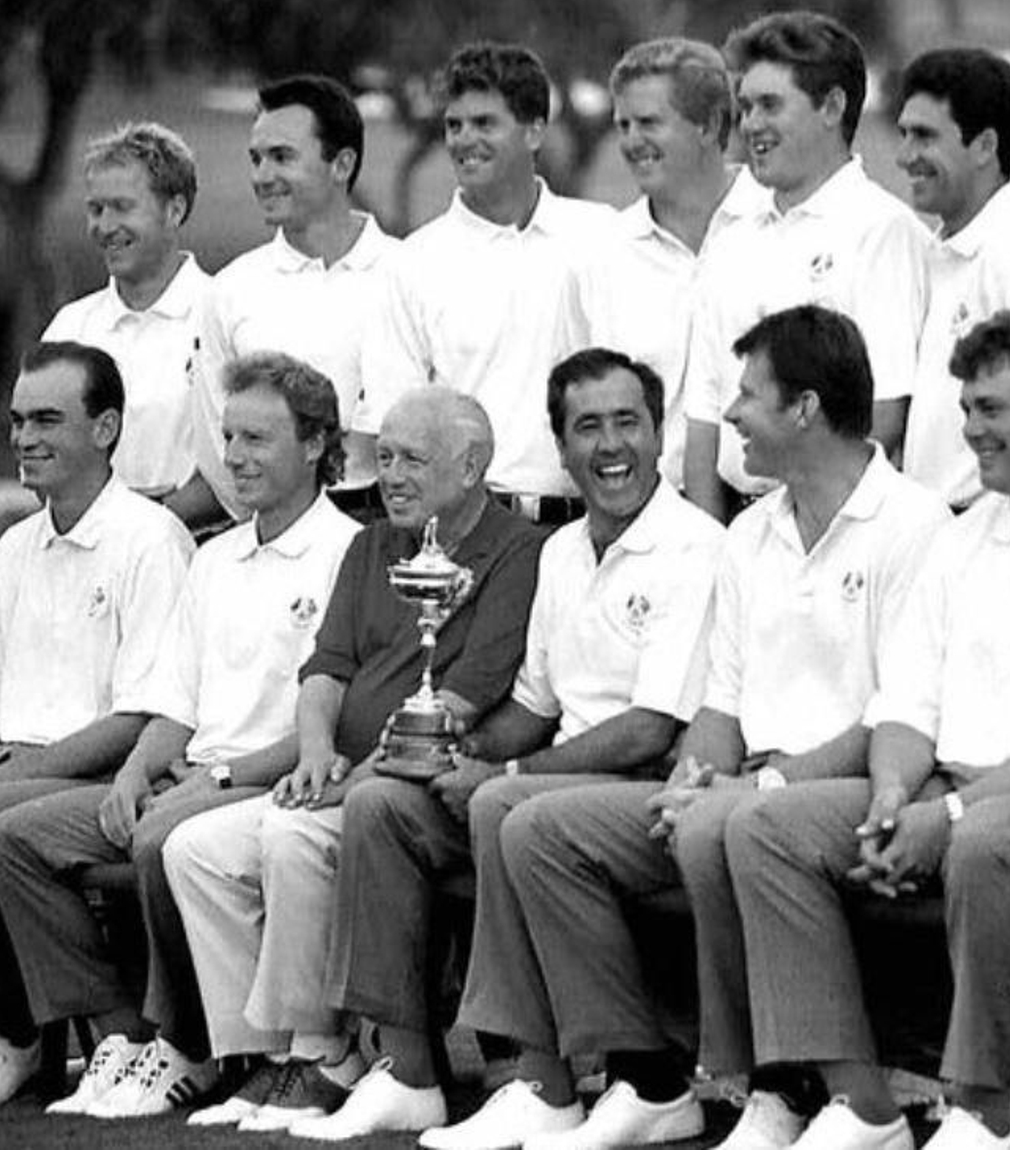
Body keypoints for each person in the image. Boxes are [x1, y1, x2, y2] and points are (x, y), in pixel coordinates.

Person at [426, 308, 947, 1150]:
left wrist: (752, 786)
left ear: (805, 408)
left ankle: (800, 1091)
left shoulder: (914, 524)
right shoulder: (753, 530)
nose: (730, 415)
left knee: (728, 825)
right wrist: (692, 779)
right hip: (745, 784)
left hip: (858, 781)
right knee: (530, 827)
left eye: (747, 396)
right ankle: (647, 1078)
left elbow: (898, 710)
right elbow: (722, 704)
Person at [721, 304, 1010, 1150]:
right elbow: (908, 707)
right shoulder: (963, 537)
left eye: (991, 409)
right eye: (968, 409)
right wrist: (893, 795)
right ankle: (861, 1102)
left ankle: (984, 1110)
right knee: (769, 825)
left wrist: (942, 819)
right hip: (956, 789)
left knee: (990, 843)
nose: (970, 429)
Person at [300, 348, 726, 1149]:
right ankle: (408, 1071)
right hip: (553, 785)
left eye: (628, 423)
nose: (610, 447)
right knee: (384, 802)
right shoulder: (562, 552)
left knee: (503, 806)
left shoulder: (696, 547)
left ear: (660, 434)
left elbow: (651, 727)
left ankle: (587, 1080)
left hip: (652, 786)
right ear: (560, 449)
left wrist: (508, 772)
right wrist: (453, 746)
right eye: (587, 428)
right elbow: (533, 704)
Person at [0, 352, 360, 1119]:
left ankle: (187, 1046)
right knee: (11, 838)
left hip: (273, 779)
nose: (236, 458)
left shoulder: (347, 552)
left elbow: (334, 720)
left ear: (316, 444)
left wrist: (211, 781)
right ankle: (118, 1035)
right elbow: (174, 705)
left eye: (258, 439)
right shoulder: (215, 559)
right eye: (228, 438)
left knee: (160, 839)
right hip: (190, 776)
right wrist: (132, 772)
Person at [161, 386, 545, 1131]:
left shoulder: (518, 553)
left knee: (291, 837)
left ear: (472, 467)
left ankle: (324, 1053)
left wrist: (354, 777)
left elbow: (463, 702)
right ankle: (263, 1057)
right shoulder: (373, 545)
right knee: (195, 849)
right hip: (341, 770)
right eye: (387, 457)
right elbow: (326, 668)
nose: (392, 476)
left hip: (414, 783)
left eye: (413, 460)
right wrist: (313, 754)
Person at [0, 341, 194, 1109]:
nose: (24, 437)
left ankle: (13, 1034)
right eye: (18, 420)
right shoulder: (13, 547)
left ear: (104, 429)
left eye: (47, 419)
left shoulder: (150, 539)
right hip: (9, 770)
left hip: (96, 773)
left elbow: (141, 716)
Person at [683, 10, 928, 519]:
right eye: (745, 107)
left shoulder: (882, 229)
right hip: (733, 526)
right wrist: (712, 543)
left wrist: (794, 521)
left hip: (828, 523)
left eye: (770, 105)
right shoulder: (732, 234)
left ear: (832, 106)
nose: (750, 125)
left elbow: (883, 414)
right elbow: (705, 409)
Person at [361, 43, 617, 525]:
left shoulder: (601, 236)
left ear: (535, 130)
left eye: (484, 124)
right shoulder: (413, 262)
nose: (462, 140)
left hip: (589, 522)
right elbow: (394, 422)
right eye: (454, 125)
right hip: (468, 528)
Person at [566, 37, 770, 490]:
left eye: (649, 123)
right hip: (644, 517)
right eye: (623, 125)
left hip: (767, 520)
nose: (632, 142)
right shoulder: (600, 257)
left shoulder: (779, 230)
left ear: (708, 124)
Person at [191, 74, 397, 520]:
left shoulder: (408, 275)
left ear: (341, 165)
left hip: (385, 529)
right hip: (271, 529)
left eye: (281, 157)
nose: (262, 177)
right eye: (256, 159)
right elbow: (215, 442)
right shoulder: (230, 290)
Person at [894, 48, 1010, 514]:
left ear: (984, 146)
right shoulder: (942, 249)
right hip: (941, 531)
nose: (904, 157)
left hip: (990, 533)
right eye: (904, 134)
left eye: (924, 136)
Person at [40, 121, 219, 528]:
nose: (104, 226)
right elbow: (40, 451)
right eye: (96, 209)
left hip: (199, 549)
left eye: (122, 207)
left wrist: (146, 530)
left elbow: (244, 463)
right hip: (90, 551)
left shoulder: (224, 315)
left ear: (174, 210)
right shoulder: (71, 329)